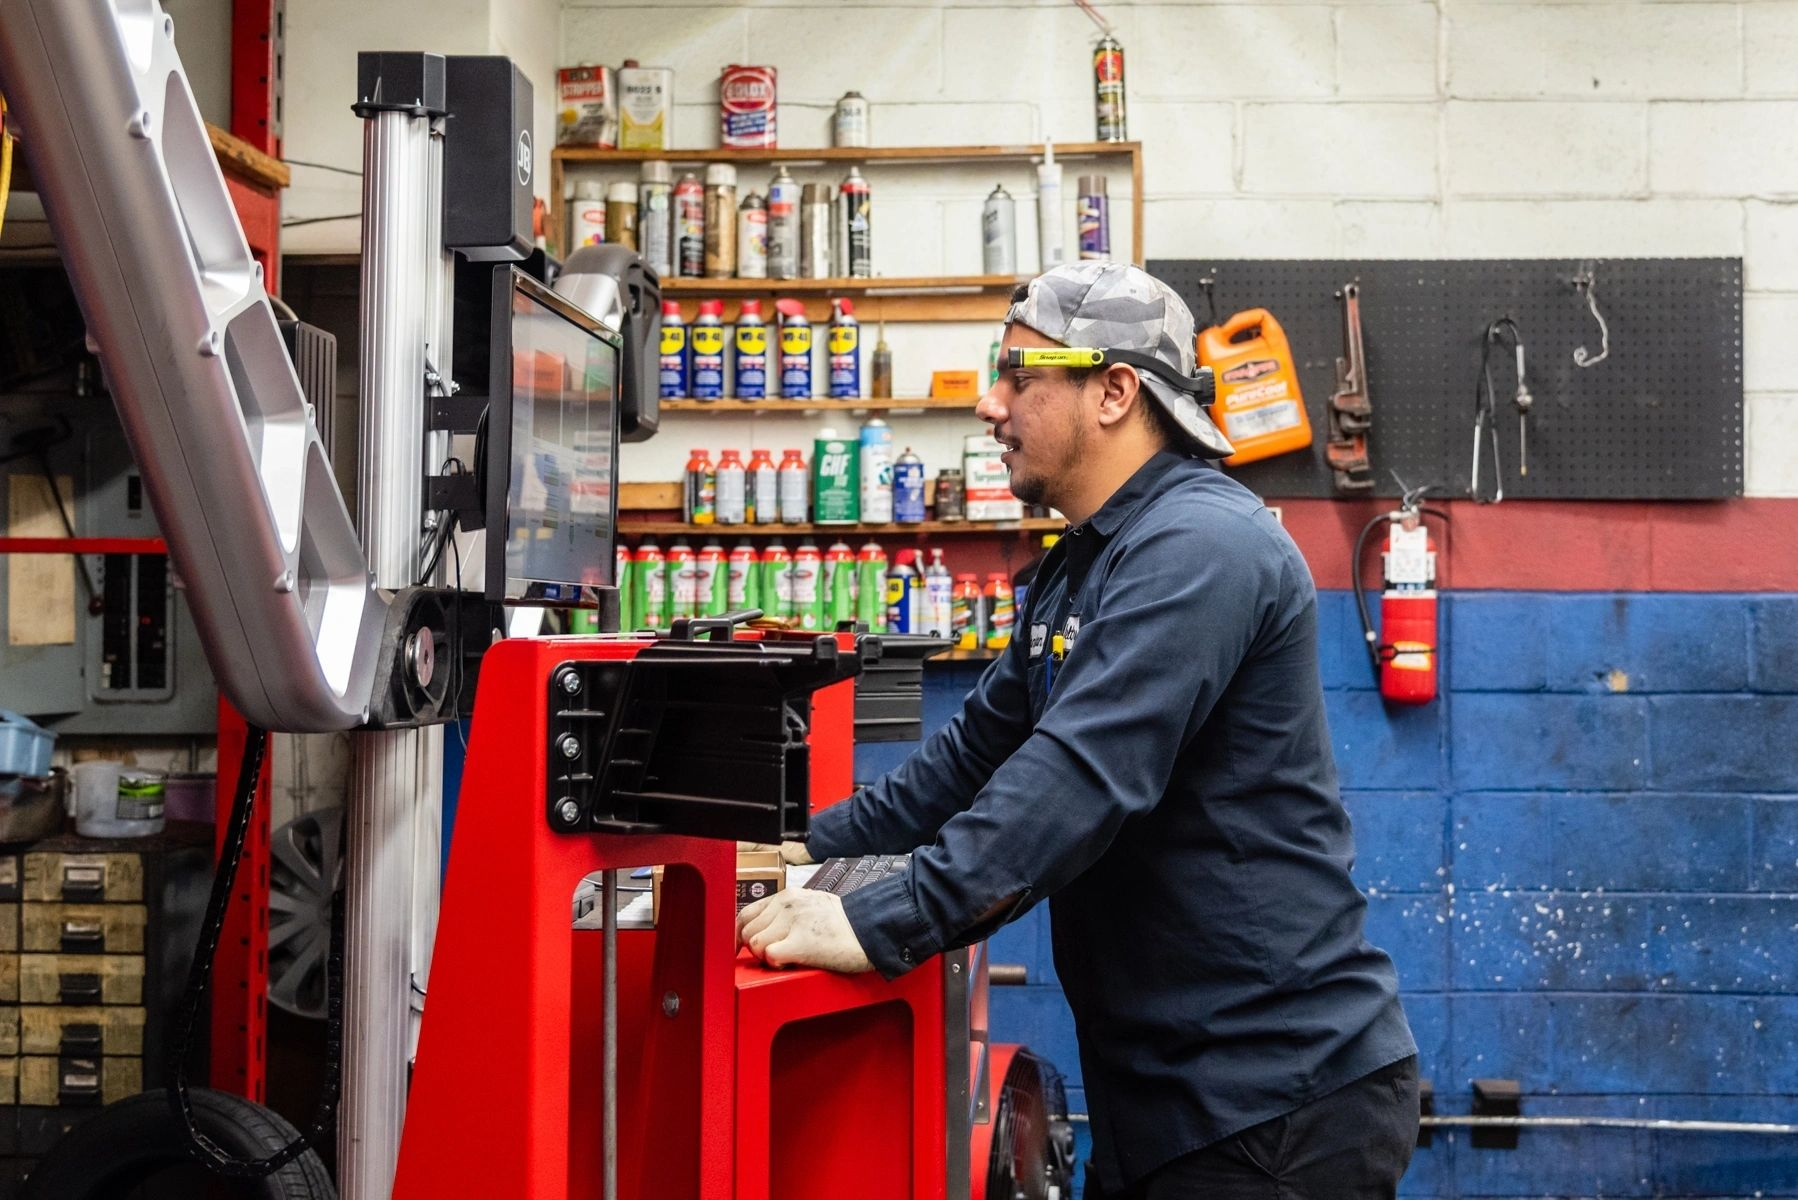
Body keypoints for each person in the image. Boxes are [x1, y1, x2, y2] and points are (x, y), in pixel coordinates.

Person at [736, 261, 1419, 1199]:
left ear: (1114, 391)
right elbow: (969, 761)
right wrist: (797, 849)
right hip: (1163, 1097)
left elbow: (1077, 779)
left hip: (1273, 1103)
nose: (990, 404)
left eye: (1019, 375)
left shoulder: (1202, 547)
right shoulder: (1087, 562)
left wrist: (874, 920)